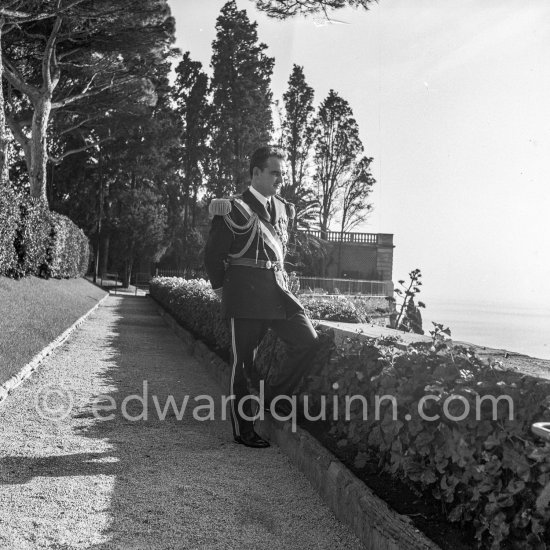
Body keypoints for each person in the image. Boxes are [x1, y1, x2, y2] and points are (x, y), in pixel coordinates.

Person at [204, 146, 319, 448]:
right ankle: (244, 430)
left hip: (277, 293)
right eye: (274, 173)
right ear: (256, 173)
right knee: (243, 365)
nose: (280, 179)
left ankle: (273, 399)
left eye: (282, 173)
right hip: (245, 296)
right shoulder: (232, 208)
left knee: (308, 339)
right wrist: (222, 292)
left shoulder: (282, 208)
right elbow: (213, 255)